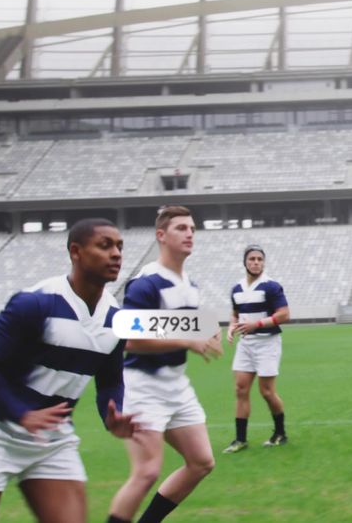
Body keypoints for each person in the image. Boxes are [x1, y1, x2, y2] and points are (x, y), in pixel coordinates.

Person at [0, 218, 137, 523]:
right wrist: (22, 414)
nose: (116, 254)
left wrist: (111, 414)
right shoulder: (35, 303)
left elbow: (110, 381)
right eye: (105, 246)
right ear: (76, 252)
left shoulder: (117, 319)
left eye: (119, 247)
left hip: (53, 441)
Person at [107, 205, 223, 523]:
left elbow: (178, 326)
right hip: (143, 385)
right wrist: (188, 341)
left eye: (192, 229)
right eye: (181, 228)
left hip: (176, 384)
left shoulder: (190, 285)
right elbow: (129, 339)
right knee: (146, 473)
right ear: (161, 235)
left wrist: (206, 330)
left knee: (201, 462)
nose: (189, 234)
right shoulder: (146, 282)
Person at [222, 244, 291, 453]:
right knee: (240, 389)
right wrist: (231, 326)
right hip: (245, 344)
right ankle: (240, 439)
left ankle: (280, 433)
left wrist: (257, 324)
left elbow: (284, 314)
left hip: (267, 343)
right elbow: (235, 314)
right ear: (245, 262)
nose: (256, 262)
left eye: (260, 259)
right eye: (252, 259)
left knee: (267, 391)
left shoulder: (271, 286)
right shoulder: (237, 288)